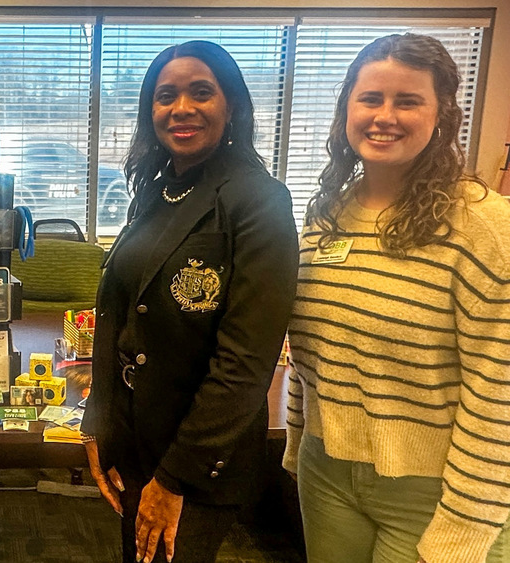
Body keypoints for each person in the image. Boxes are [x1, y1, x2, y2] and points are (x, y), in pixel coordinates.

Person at [282, 33, 510, 563]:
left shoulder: (485, 227)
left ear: (442, 115)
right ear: (346, 111)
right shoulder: (325, 218)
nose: (385, 115)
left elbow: (499, 390)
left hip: (433, 489)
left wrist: (465, 524)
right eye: (371, 99)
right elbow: (311, 349)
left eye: (407, 101)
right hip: (327, 472)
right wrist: (297, 441)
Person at [81, 40, 298, 563]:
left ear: (232, 106)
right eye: (165, 96)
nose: (181, 108)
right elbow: (116, 317)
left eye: (201, 92)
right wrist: (98, 422)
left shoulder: (258, 200)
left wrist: (174, 478)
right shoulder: (155, 191)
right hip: (137, 437)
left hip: (198, 455)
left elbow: (245, 363)